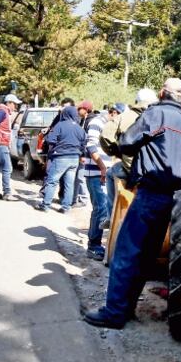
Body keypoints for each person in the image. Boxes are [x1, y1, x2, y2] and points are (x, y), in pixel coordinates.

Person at [83, 77, 181, 330]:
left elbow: (127, 142)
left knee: (126, 253)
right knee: (146, 257)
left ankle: (115, 313)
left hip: (150, 194)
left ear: (162, 93)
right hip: (175, 200)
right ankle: (126, 310)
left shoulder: (156, 114)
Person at [37, 105, 86, 213]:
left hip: (61, 157)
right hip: (74, 159)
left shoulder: (60, 125)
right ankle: (66, 207)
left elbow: (50, 139)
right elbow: (83, 144)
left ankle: (45, 205)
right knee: (69, 184)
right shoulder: (80, 128)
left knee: (52, 181)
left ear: (65, 114)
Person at [81, 105, 113, 260]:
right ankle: (93, 246)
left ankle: (97, 244)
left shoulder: (109, 124)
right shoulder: (97, 123)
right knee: (100, 208)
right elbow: (90, 145)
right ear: (113, 112)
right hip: (96, 173)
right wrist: (102, 167)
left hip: (103, 173)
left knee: (104, 209)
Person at [0, 94, 21, 200]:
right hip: (0, 144)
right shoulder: (2, 111)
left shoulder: (1, 111)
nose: (16, 107)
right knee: (7, 169)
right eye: (15, 104)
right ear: (9, 102)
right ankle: (7, 193)